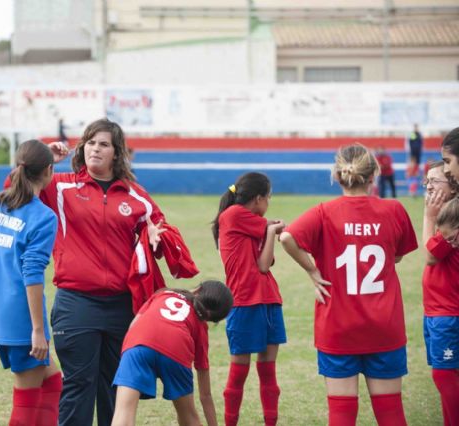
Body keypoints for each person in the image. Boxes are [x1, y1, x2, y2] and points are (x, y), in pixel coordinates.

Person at [279, 143, 418, 426]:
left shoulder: (323, 212)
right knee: (391, 413)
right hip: (384, 326)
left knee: (341, 415)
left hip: (338, 326)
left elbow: (286, 238)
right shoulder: (394, 209)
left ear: (337, 175)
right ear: (373, 176)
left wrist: (312, 271)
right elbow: (398, 255)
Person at [41, 118, 167, 426]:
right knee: (78, 385)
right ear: (82, 148)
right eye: (91, 143)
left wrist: (157, 239)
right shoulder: (60, 186)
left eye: (104, 144)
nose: (95, 149)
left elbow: (163, 233)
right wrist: (44, 160)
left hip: (122, 305)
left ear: (116, 153)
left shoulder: (136, 196)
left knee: (115, 387)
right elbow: (13, 190)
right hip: (76, 303)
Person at [0, 140, 62, 426]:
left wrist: (1, 277)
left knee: (54, 382)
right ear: (48, 171)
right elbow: (32, 275)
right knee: (26, 400)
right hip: (22, 321)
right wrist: (37, 331)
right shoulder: (44, 216)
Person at [211, 172, 286, 426]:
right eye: (269, 197)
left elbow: (264, 266)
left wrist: (270, 230)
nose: (269, 203)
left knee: (268, 372)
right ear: (257, 198)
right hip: (243, 301)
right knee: (238, 372)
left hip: (269, 299)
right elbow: (272, 226)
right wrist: (272, 227)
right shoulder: (232, 215)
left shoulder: (255, 224)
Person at [111, 281, 233, 426]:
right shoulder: (201, 328)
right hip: (176, 350)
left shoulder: (163, 294)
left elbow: (133, 325)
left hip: (138, 343)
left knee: (123, 412)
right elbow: (205, 395)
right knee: (188, 416)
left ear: (197, 290)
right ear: (213, 319)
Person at [421, 163, 459, 426]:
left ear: (453, 184)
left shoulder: (451, 215)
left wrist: (429, 216)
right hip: (438, 311)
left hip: (448, 313)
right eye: (427, 181)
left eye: (435, 181)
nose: (429, 186)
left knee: (444, 375)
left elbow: (430, 255)